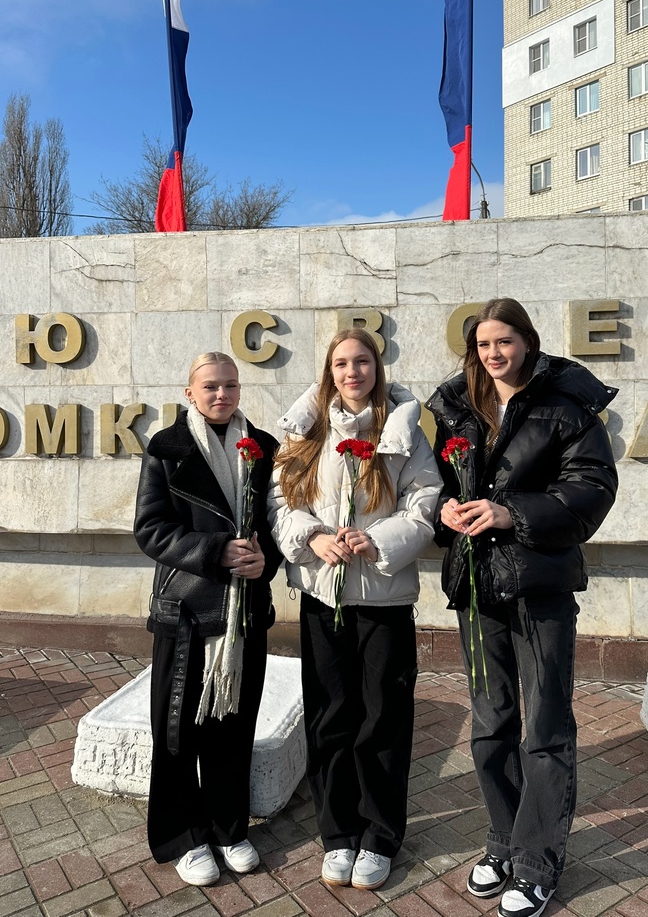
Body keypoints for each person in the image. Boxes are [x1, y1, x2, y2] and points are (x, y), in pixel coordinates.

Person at [426, 299, 618, 917]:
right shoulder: (458, 407)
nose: (494, 354)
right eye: (484, 345)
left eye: (504, 341)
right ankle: (503, 840)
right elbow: (434, 485)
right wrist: (444, 512)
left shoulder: (566, 408)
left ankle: (538, 862)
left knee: (546, 728)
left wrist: (513, 512)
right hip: (476, 587)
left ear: (528, 342)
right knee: (490, 726)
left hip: (540, 588)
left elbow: (592, 489)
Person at [269, 329, 441, 891]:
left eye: (362, 361)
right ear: (328, 371)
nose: (352, 372)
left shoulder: (403, 432)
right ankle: (337, 832)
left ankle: (379, 834)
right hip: (324, 595)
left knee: (383, 718)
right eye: (341, 363)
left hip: (383, 600)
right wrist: (312, 537)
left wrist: (380, 540)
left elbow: (424, 503)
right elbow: (280, 499)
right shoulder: (306, 430)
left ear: (377, 366)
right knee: (330, 717)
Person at [134, 352, 282, 886]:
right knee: (177, 727)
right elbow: (150, 529)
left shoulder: (263, 448)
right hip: (188, 611)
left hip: (243, 610)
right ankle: (182, 834)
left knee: (233, 726)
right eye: (212, 387)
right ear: (190, 392)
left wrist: (270, 558)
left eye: (231, 386)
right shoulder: (167, 449)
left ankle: (227, 826)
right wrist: (216, 550)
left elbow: (275, 520)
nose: (222, 394)